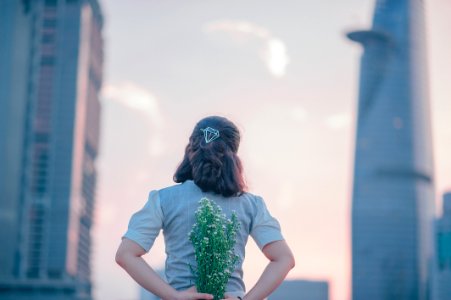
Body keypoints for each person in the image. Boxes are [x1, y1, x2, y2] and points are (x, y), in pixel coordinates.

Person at [115, 116, 295, 300]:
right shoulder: (252, 205)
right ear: (234, 156)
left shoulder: (162, 199)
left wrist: (174, 296)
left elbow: (125, 254)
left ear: (190, 151)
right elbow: (284, 259)